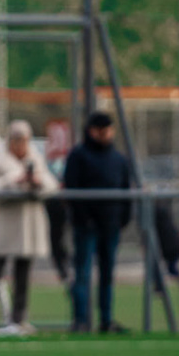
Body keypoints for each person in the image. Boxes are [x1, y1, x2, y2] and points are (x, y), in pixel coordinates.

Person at [0, 120, 57, 336]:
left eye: (24, 140)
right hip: (4, 226)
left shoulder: (35, 159)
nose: (21, 144)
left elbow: (52, 185)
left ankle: (19, 319)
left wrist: (36, 183)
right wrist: (13, 180)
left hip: (28, 228)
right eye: (17, 139)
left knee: (23, 277)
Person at [62, 111, 132, 333]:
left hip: (110, 226)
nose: (105, 135)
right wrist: (84, 218)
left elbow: (125, 191)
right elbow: (71, 190)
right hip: (86, 227)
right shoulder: (79, 155)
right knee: (82, 273)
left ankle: (106, 320)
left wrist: (122, 219)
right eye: (101, 130)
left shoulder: (118, 158)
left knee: (107, 274)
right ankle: (81, 320)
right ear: (92, 131)